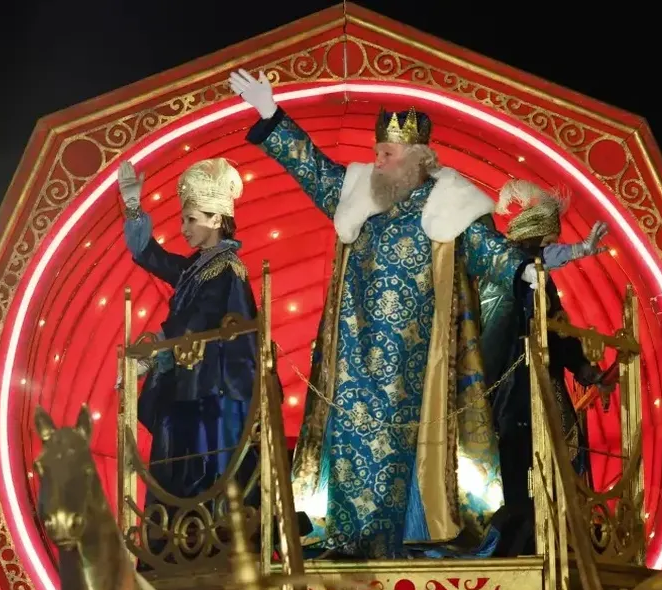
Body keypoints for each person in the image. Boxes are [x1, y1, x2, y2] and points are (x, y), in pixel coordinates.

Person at [230, 68, 540, 559]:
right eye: (376, 152)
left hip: (417, 361)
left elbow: (486, 246)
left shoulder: (449, 202)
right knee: (352, 444)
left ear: (418, 159)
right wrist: (271, 113)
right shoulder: (360, 194)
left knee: (410, 447)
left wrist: (523, 270)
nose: (376, 161)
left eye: (387, 155)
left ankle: (409, 536)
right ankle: (352, 539)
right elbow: (311, 166)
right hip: (354, 351)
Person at [116, 158, 259, 553]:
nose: (184, 228)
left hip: (213, 396)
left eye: (191, 219)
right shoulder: (197, 267)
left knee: (203, 474)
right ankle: (173, 544)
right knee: (175, 469)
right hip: (190, 389)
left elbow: (197, 320)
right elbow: (151, 256)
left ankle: (202, 546)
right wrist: (132, 206)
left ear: (216, 220)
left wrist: (152, 351)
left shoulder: (228, 268)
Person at [482, 179, 619, 556]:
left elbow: (554, 329)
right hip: (508, 388)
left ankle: (552, 534)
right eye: (542, 244)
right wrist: (578, 250)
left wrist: (582, 367)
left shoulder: (532, 277)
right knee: (515, 459)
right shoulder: (503, 273)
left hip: (534, 383)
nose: (544, 252)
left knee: (554, 454)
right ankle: (519, 536)